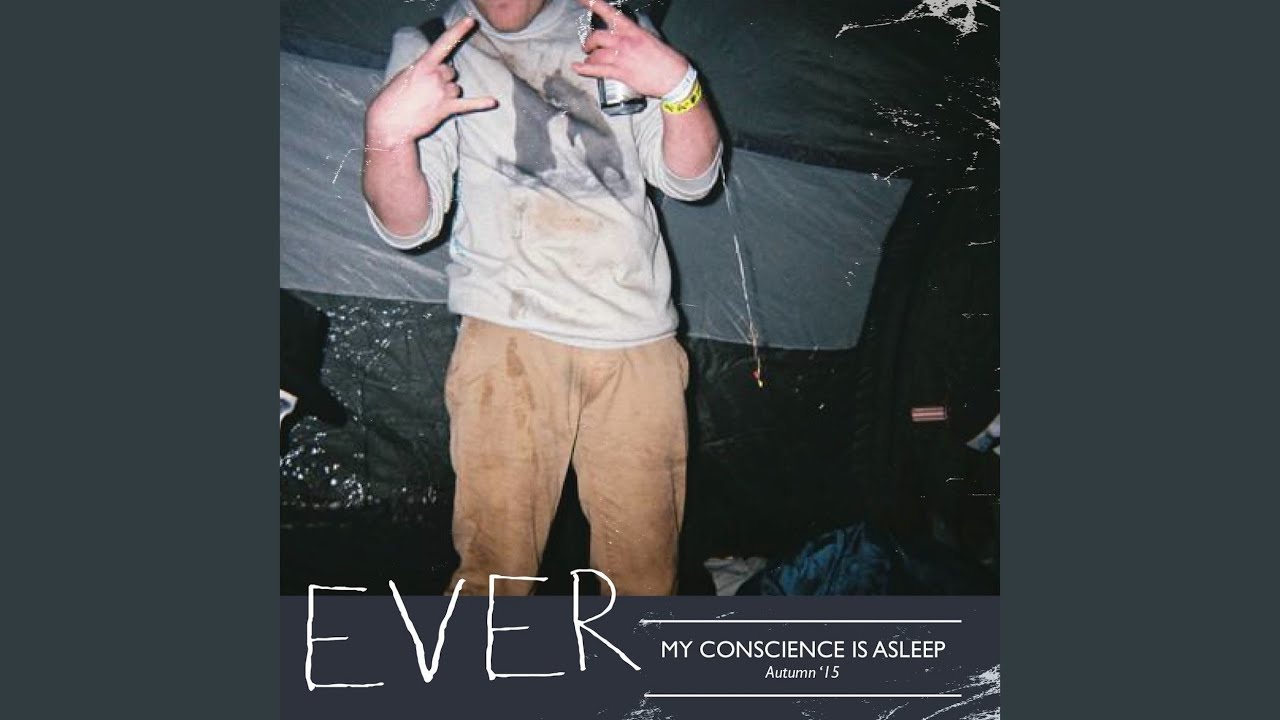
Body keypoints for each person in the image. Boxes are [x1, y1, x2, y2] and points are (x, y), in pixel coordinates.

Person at [362, 0, 723, 596]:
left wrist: (681, 87)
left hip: (638, 341)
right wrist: (386, 136)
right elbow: (408, 227)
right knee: (493, 579)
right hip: (508, 335)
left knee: (646, 578)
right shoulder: (432, 43)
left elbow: (692, 180)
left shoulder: (612, 25)